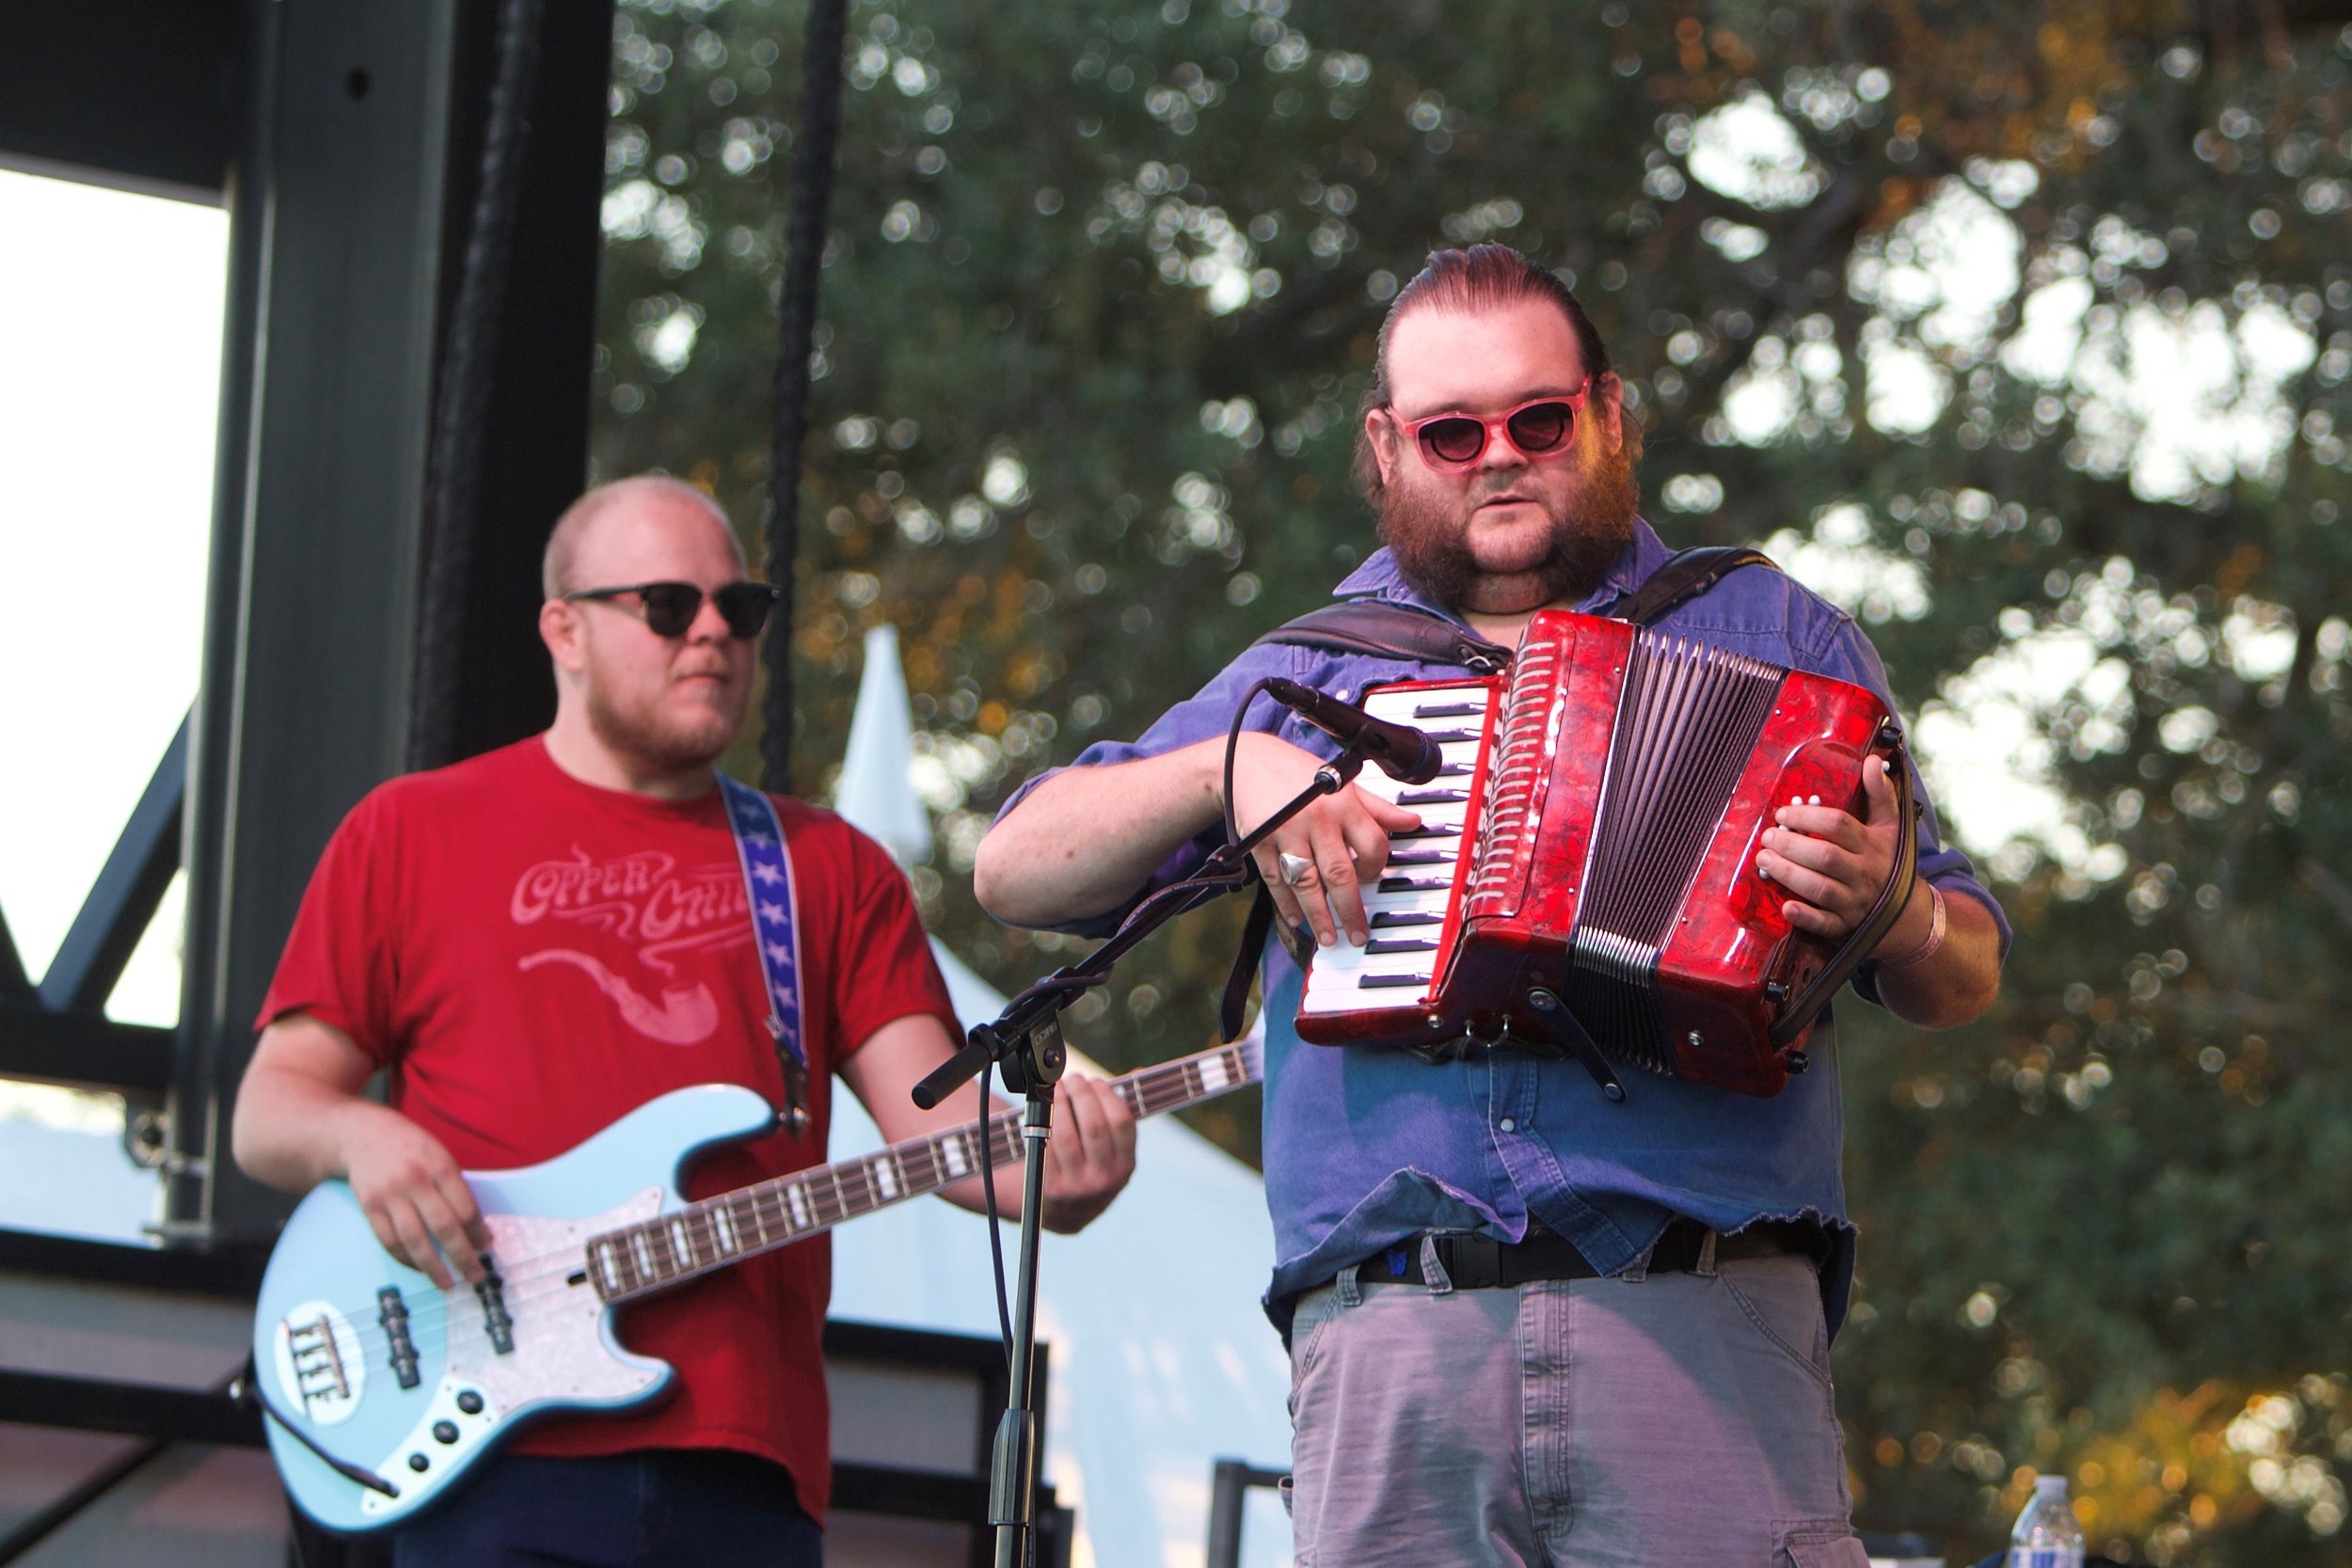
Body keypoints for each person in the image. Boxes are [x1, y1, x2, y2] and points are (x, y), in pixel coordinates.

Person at [975, 245, 2006, 1568]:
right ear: (1387, 448)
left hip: (1700, 1324)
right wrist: (1227, 766)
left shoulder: (1774, 630)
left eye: (1538, 419)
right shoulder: (1311, 670)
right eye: (1451, 431)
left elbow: (1966, 971)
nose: (1497, 455)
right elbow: (1014, 867)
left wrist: (1896, 906)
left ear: (1609, 412)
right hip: (1392, 1340)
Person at [232, 475, 1136, 1567]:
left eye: (738, 608)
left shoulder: (825, 865)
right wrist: (360, 1133)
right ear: (563, 628)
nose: (712, 630)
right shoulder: (408, 831)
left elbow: (943, 1134)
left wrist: (1055, 1167)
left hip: (744, 1463)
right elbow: (270, 1110)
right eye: (668, 605)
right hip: (489, 1447)